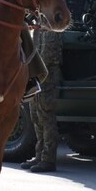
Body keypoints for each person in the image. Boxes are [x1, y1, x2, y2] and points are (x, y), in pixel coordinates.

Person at [21, 27, 61, 173]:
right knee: (36, 117)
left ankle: (48, 159)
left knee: (46, 116)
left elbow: (48, 58)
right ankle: (39, 155)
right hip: (35, 77)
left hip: (46, 78)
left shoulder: (52, 31)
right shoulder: (37, 30)